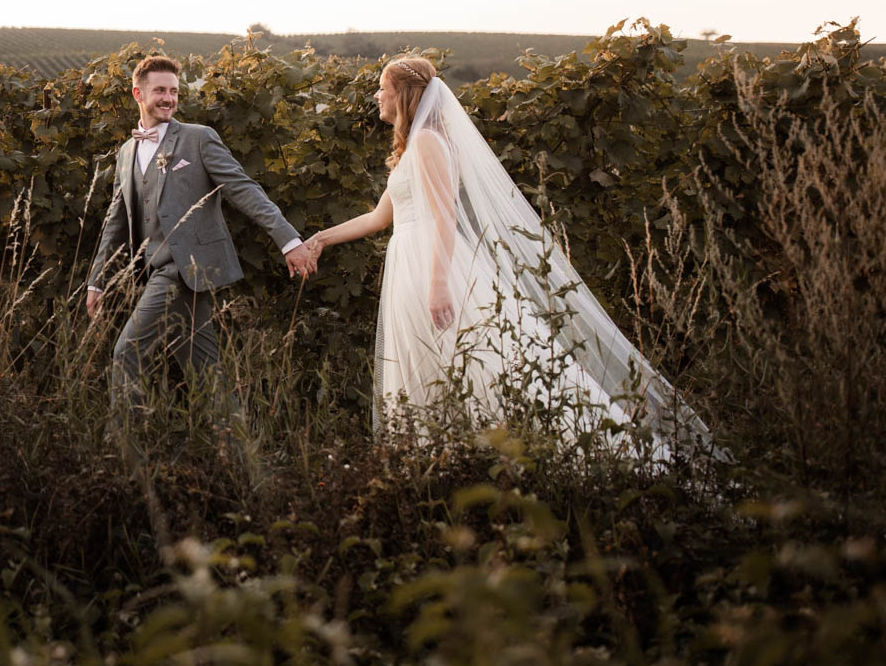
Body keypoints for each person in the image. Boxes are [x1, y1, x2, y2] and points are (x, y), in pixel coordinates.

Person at [306, 57, 712, 457]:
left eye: (383, 87)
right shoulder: (415, 144)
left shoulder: (429, 141)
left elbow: (445, 215)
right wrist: (321, 239)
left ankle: (537, 448)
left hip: (432, 264)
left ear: (404, 94)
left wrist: (439, 284)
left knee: (483, 364)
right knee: (427, 363)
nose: (377, 94)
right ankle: (440, 455)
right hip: (410, 262)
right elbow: (381, 217)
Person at [86, 55, 318, 420]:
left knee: (126, 353)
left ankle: (125, 456)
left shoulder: (198, 139)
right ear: (137, 93)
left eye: (174, 91)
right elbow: (116, 220)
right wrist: (97, 281)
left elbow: (244, 189)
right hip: (157, 271)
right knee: (207, 372)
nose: (169, 98)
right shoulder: (126, 152)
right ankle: (241, 455)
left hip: (182, 270)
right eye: (160, 90)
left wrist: (289, 241)